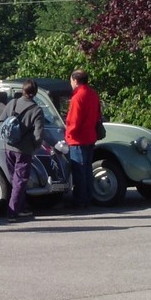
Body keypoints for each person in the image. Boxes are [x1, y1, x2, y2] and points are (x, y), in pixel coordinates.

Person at [0, 79, 44, 223]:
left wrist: (6, 137)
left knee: (14, 179)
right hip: (24, 149)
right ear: (35, 93)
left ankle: (22, 207)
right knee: (20, 181)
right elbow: (39, 134)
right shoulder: (36, 110)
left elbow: (0, 122)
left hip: (8, 147)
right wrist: (34, 146)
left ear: (22, 90)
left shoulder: (13, 103)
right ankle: (12, 211)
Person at [65, 69, 102, 208]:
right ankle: (87, 197)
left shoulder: (77, 97)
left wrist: (68, 133)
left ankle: (80, 200)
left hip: (78, 138)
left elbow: (73, 121)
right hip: (90, 136)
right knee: (86, 169)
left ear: (75, 80)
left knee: (79, 170)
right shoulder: (93, 94)